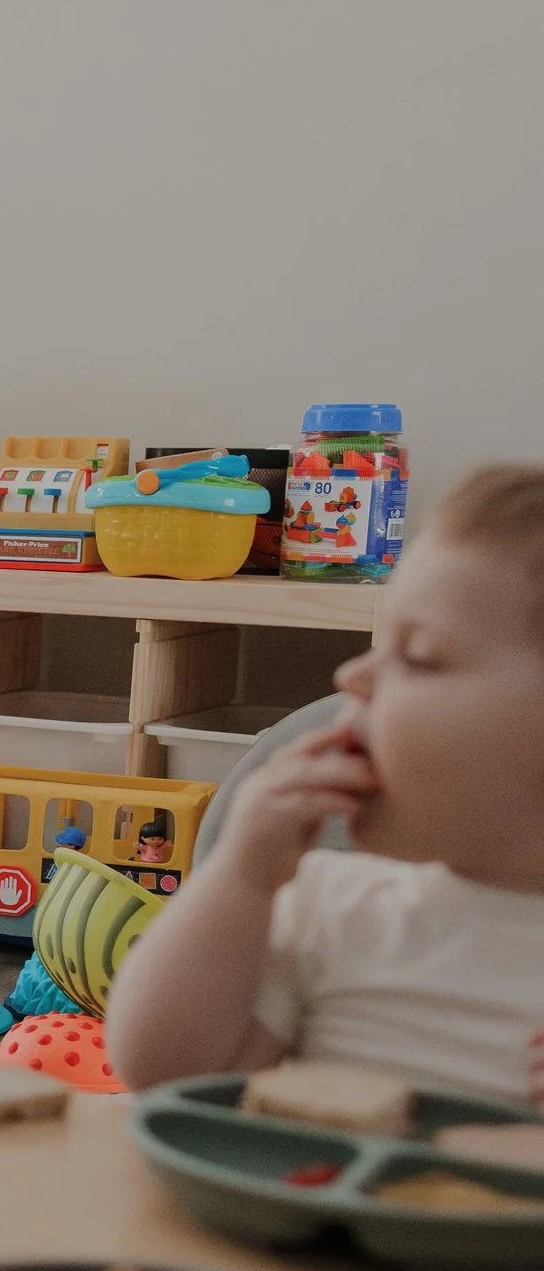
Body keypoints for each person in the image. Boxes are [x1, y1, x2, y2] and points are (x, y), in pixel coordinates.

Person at [109, 463, 544, 1108]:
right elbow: (166, 1075)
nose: (352, 676)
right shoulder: (328, 908)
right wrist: (243, 880)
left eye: (417, 655)